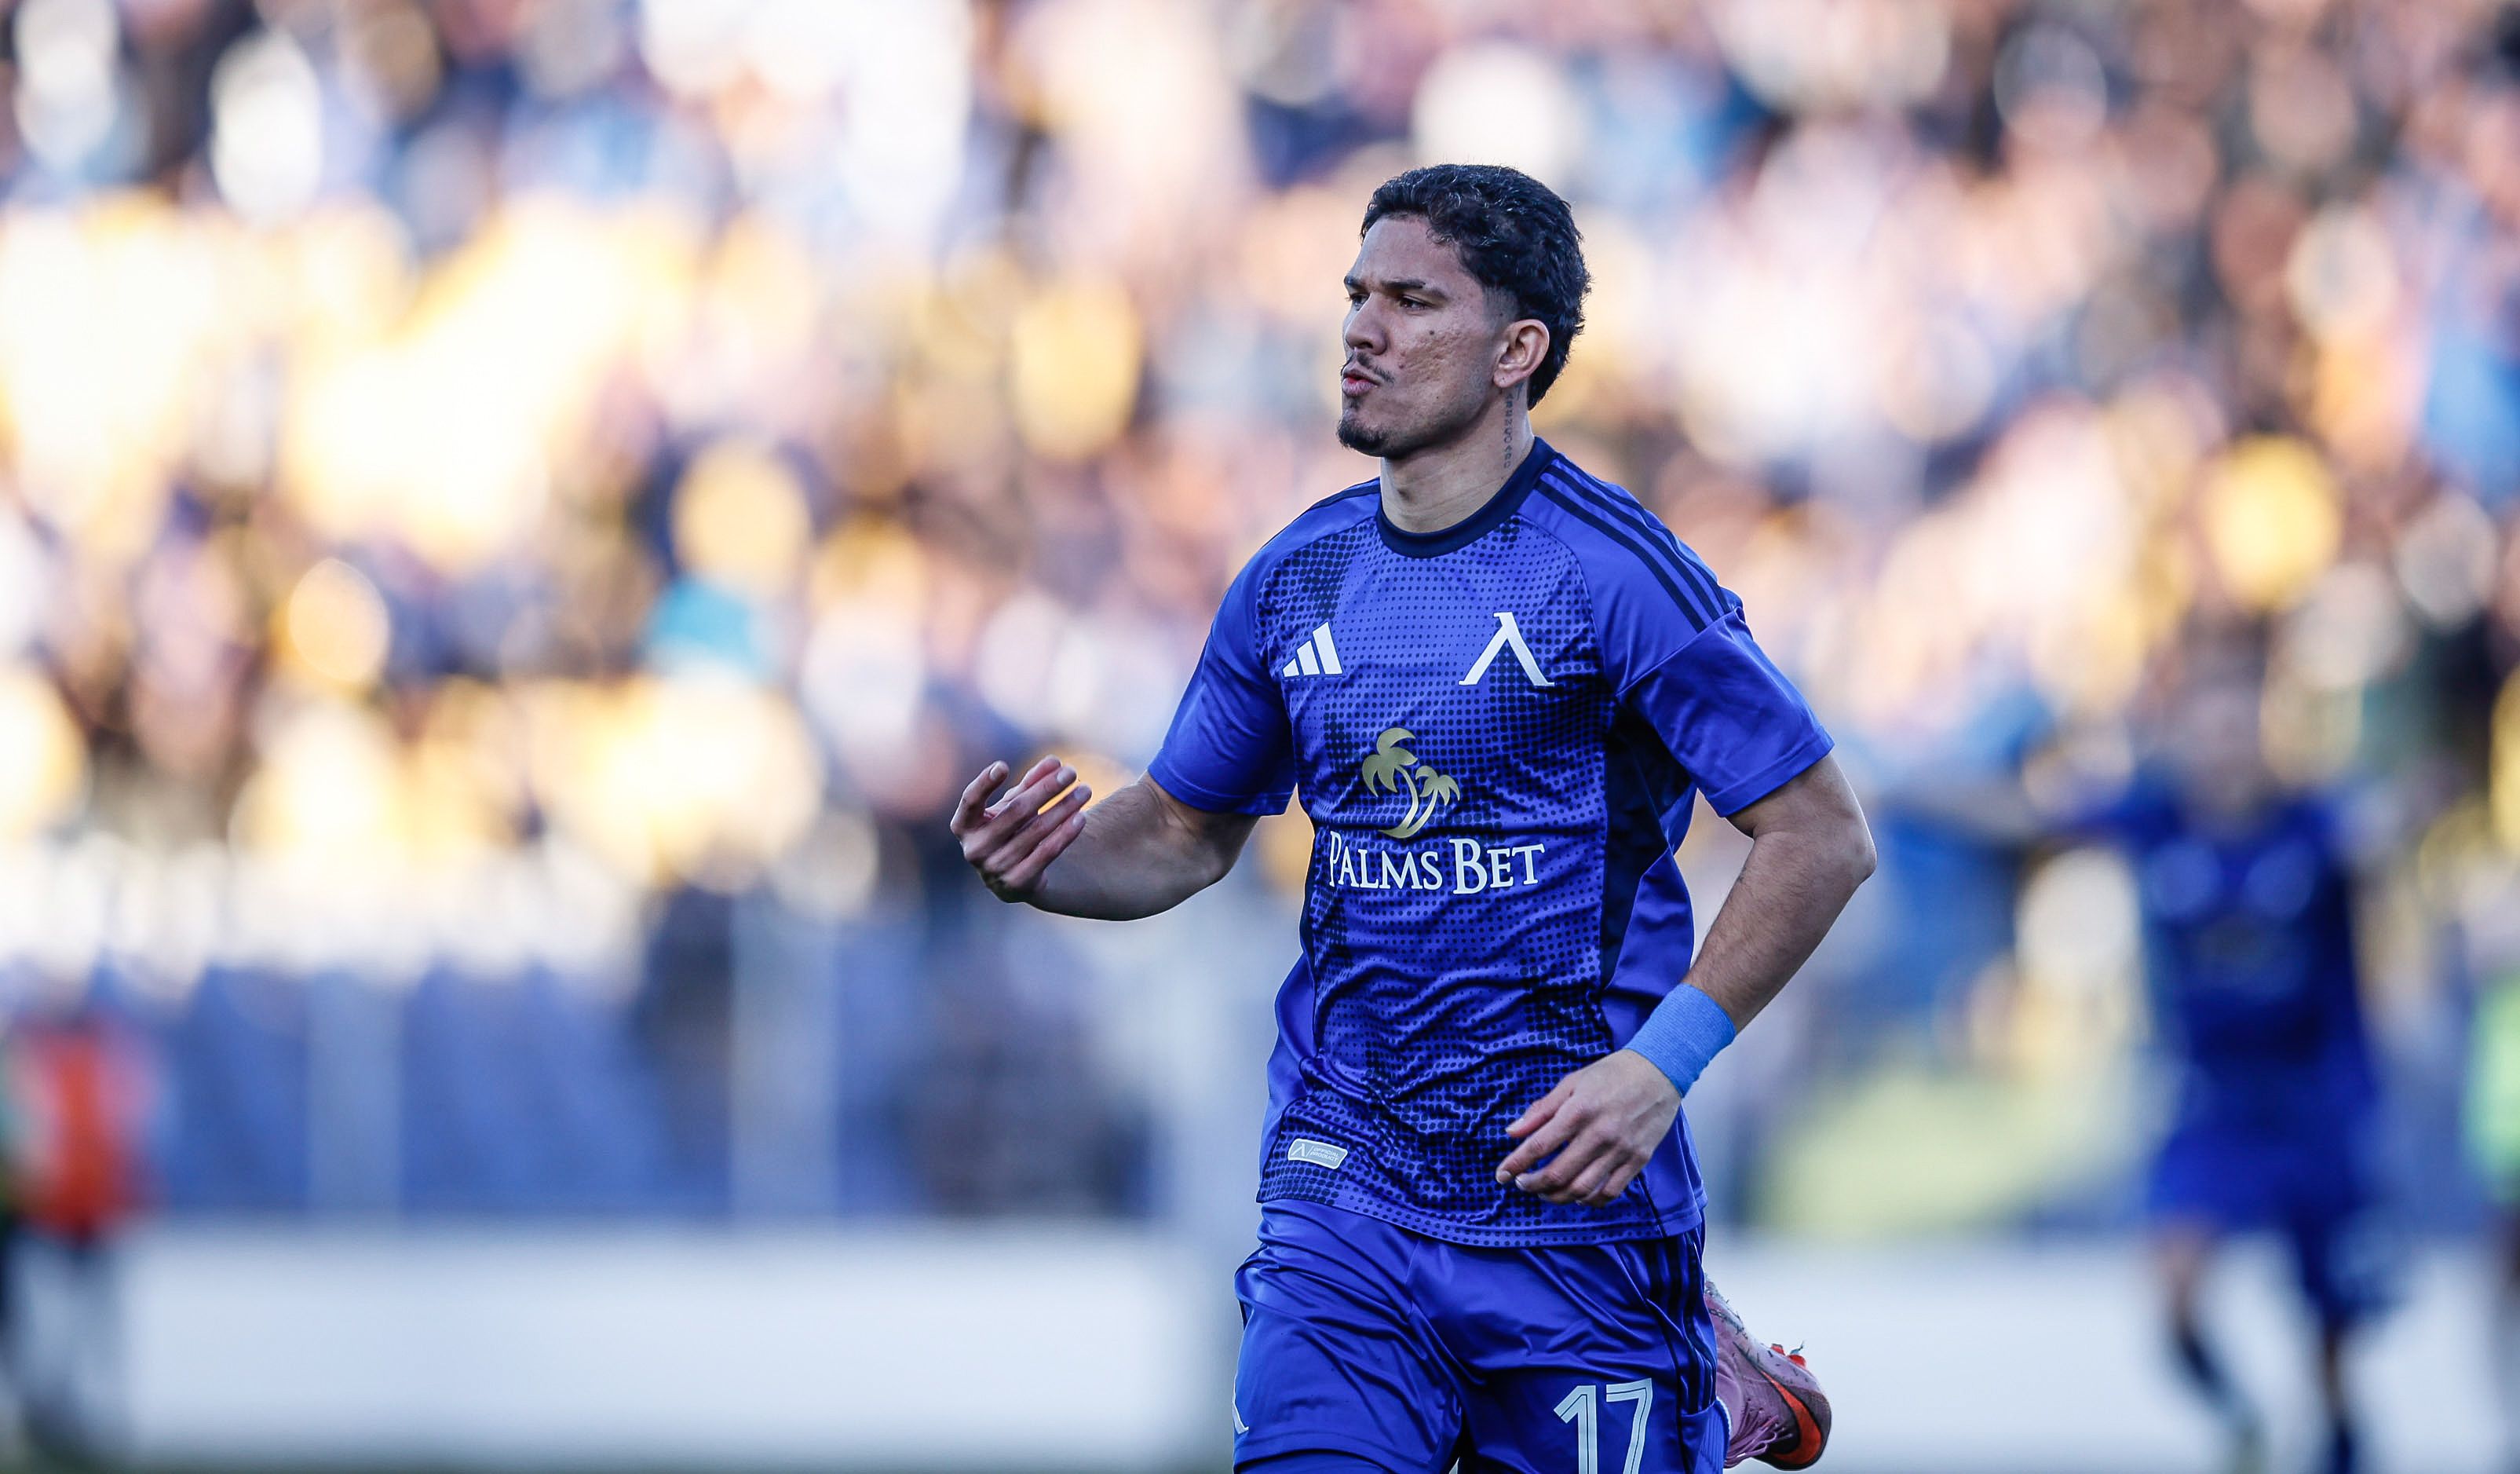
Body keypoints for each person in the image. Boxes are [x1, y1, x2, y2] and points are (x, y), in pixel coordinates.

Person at [951, 164, 1874, 1473]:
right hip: (1347, 1183)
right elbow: (1178, 831)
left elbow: (1821, 834)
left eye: (1411, 301)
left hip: (1570, 1193)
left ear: (1515, 350)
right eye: (1355, 295)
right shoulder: (1295, 575)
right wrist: (1047, 862)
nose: (1360, 330)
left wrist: (1658, 1065)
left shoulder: (1614, 573)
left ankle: (1715, 1391)